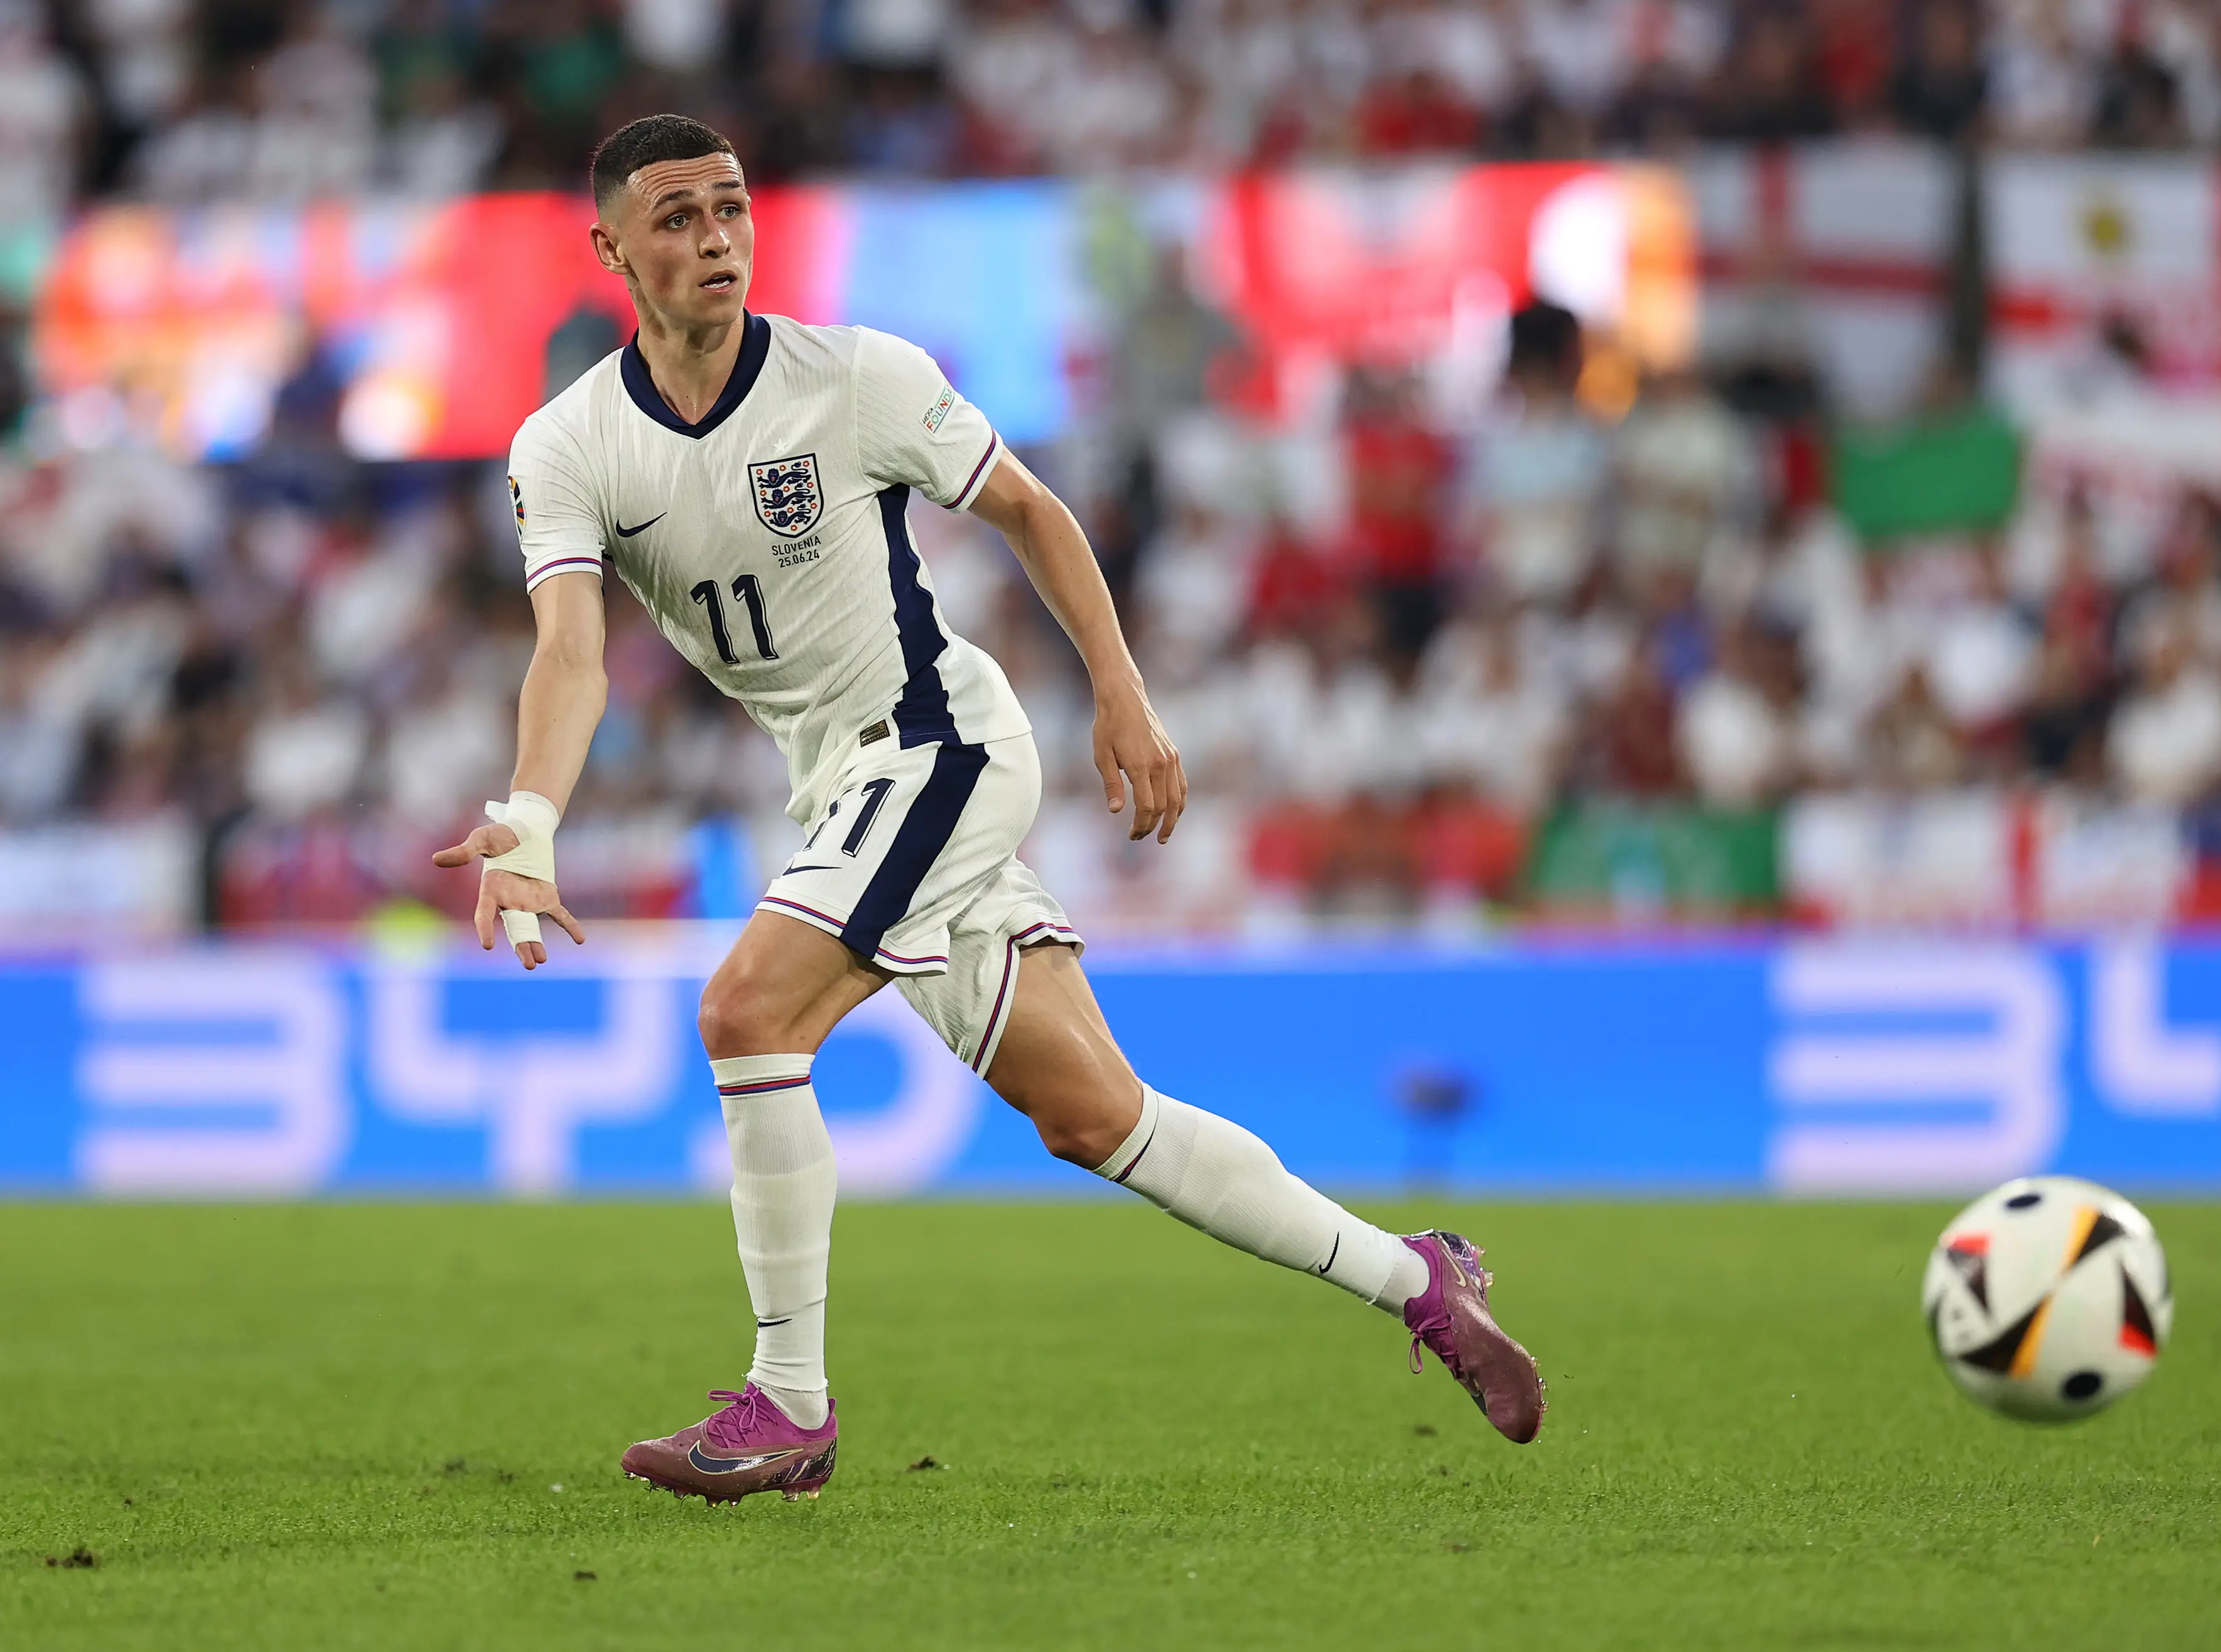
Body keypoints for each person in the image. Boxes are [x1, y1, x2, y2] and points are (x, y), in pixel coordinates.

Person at [434, 114, 1545, 1506]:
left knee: (744, 1014)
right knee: (1098, 1117)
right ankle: (1420, 1281)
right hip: (841, 782)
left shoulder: (854, 378)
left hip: (939, 742)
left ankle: (788, 1403)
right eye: (675, 218)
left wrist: (1122, 696)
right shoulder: (569, 444)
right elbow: (571, 649)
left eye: (729, 209)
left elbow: (1031, 508)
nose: (714, 238)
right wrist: (530, 813)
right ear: (610, 248)